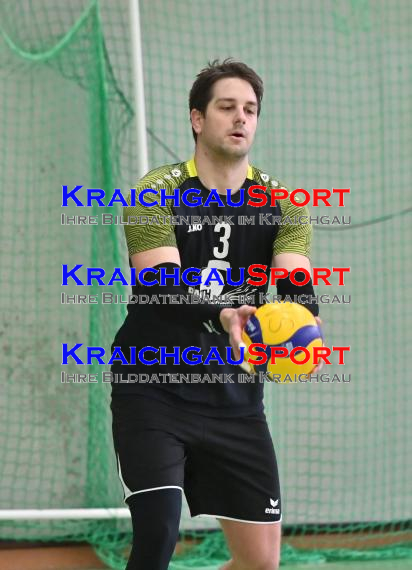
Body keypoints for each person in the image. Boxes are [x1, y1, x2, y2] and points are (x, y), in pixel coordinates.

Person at [110, 58, 321, 570]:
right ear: (197, 119)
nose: (240, 118)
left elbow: (297, 285)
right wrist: (227, 314)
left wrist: (300, 329)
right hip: (154, 386)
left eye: (249, 109)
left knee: (260, 564)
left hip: (234, 399)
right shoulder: (154, 192)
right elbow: (159, 282)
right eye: (226, 107)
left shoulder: (284, 205)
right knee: (158, 537)